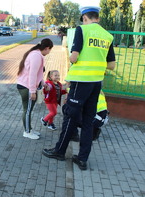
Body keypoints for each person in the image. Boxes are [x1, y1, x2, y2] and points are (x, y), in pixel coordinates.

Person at [42, 6, 116, 170]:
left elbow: (74, 57)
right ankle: (82, 159)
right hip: (96, 83)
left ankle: (59, 151)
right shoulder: (108, 36)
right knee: (88, 121)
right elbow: (111, 65)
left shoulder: (82, 30)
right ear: (97, 18)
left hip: (80, 81)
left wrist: (72, 57)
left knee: (70, 115)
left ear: (84, 18)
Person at [17, 38, 54, 140]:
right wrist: (32, 91)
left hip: (26, 86)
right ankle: (27, 132)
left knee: (29, 110)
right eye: (50, 50)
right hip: (26, 87)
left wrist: (43, 83)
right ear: (47, 48)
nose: (49, 52)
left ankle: (29, 129)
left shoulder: (36, 54)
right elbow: (32, 74)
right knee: (27, 110)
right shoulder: (36, 56)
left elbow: (38, 74)